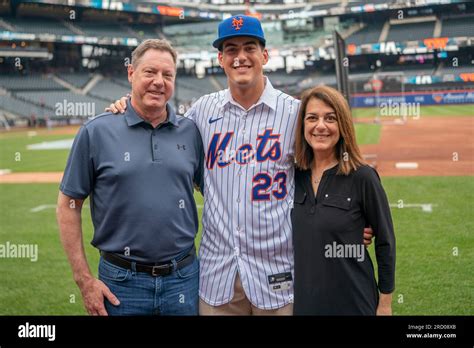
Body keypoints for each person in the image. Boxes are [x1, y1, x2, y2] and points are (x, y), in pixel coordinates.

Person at [108, 15, 374, 315]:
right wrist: (128, 102)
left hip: (277, 275)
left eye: (249, 47)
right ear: (221, 59)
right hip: (217, 277)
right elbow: (163, 131)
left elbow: (327, 168)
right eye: (231, 49)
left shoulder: (295, 113)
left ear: (265, 55)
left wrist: (350, 219)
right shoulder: (201, 111)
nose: (241, 57)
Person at [56, 39, 204, 316]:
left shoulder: (190, 132)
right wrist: (84, 280)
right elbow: (68, 204)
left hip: (183, 280)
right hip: (121, 284)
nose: (159, 82)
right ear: (131, 74)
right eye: (150, 72)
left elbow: (214, 191)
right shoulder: (96, 132)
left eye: (167, 75)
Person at [292, 85, 396, 315]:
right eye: (312, 118)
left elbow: (385, 242)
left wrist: (385, 304)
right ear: (302, 126)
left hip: (354, 302)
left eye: (330, 118)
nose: (320, 126)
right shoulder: (292, 176)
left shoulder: (362, 176)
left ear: (343, 125)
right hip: (304, 304)